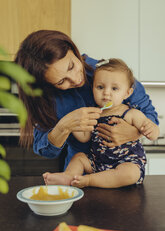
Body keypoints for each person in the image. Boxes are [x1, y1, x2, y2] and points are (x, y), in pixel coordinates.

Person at [14, 30, 159, 177]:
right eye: (61, 81)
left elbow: (150, 117)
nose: (75, 80)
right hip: (79, 174)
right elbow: (46, 150)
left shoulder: (110, 73)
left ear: (72, 49)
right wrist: (64, 126)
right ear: (47, 85)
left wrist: (133, 133)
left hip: (121, 170)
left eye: (71, 66)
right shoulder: (45, 98)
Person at [43, 58, 159, 188]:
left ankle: (88, 180)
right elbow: (84, 138)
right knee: (79, 157)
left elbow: (153, 133)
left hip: (125, 162)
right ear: (92, 88)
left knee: (130, 173)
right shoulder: (94, 114)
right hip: (98, 163)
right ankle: (68, 176)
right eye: (100, 87)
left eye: (114, 88)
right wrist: (72, 125)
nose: (106, 93)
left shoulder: (131, 113)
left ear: (127, 93)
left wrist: (151, 129)